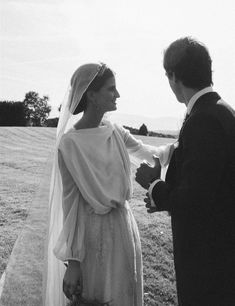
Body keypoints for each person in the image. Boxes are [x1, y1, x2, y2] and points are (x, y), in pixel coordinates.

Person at [43, 62, 174, 306]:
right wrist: (73, 261)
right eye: (111, 89)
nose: (118, 95)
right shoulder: (69, 144)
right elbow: (70, 204)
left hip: (124, 227)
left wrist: (183, 146)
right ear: (91, 95)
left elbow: (150, 153)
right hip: (93, 237)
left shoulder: (116, 132)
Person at [135, 36, 235, 306]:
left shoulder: (203, 121)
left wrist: (153, 184)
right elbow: (210, 184)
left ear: (174, 76)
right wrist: (164, 198)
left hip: (208, 264)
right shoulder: (220, 111)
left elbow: (194, 202)